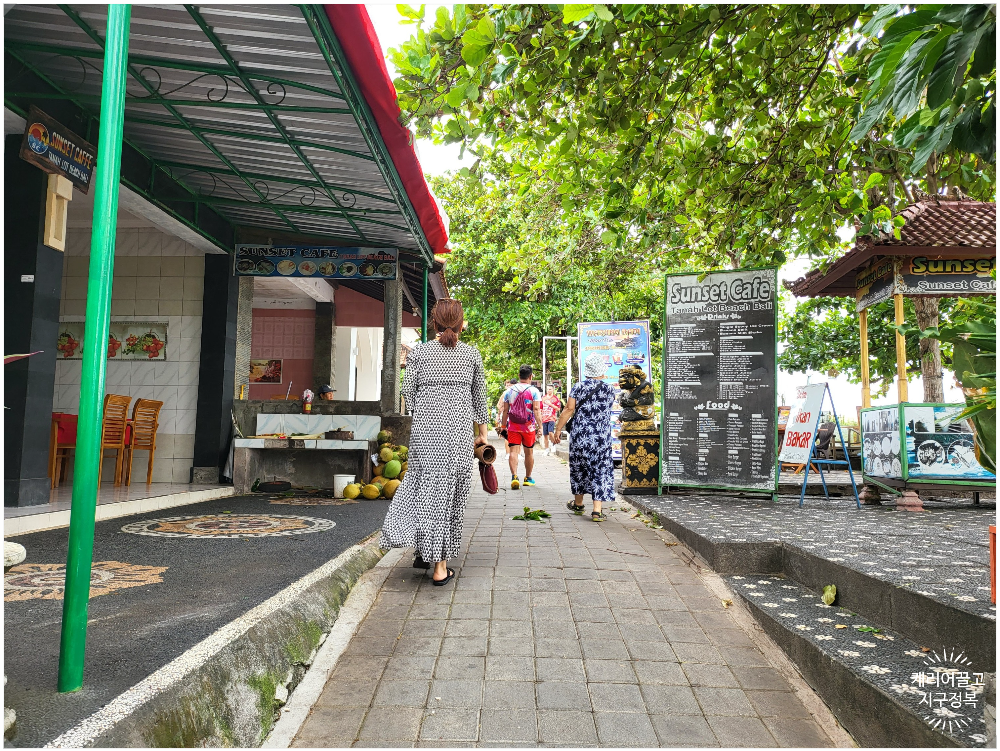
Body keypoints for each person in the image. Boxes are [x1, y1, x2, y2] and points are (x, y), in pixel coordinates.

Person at [379, 299, 489, 586]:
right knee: (449, 496)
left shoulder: (420, 353)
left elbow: (409, 395)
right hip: (457, 436)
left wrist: (428, 412)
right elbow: (480, 400)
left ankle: (423, 549)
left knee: (423, 490)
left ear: (435, 324)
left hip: (426, 435)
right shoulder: (471, 355)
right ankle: (440, 567)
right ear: (461, 323)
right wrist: (483, 436)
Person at [552, 353, 616, 522]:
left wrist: (558, 429)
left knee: (579, 467)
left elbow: (568, 409)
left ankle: (579, 504)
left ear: (587, 371)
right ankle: (597, 511)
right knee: (600, 469)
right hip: (601, 437)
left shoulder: (578, 387)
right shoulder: (609, 389)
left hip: (581, 436)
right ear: (601, 371)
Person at [500, 365, 543, 489]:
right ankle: (528, 478)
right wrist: (540, 427)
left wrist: (503, 426)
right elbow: (536, 409)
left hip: (513, 426)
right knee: (528, 452)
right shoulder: (534, 391)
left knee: (513, 451)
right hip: (528, 427)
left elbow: (505, 411)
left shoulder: (509, 391)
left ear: (519, 376)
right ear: (530, 376)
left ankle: (514, 477)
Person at [540, 385, 563, 455]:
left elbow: (558, 408)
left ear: (553, 390)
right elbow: (540, 408)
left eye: (550, 389)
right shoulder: (543, 398)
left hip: (551, 418)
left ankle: (553, 444)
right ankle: (546, 449)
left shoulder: (555, 399)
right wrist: (540, 417)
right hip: (544, 418)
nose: (548, 390)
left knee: (550, 432)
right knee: (545, 435)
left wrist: (551, 404)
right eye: (547, 389)